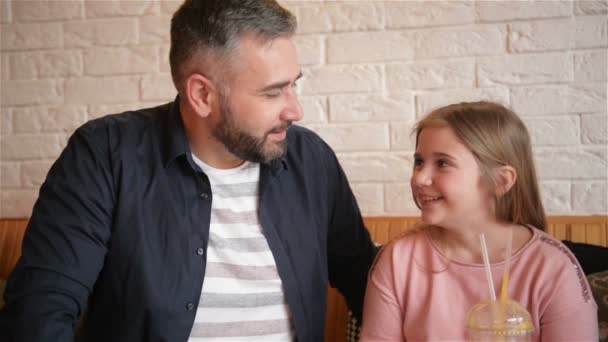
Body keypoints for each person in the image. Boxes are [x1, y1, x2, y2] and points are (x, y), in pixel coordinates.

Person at [0, 1, 378, 341]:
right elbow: (41, 306)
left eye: (294, 85)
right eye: (272, 92)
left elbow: (368, 281)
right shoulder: (104, 154)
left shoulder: (311, 160)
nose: (295, 110)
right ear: (202, 95)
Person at [360, 101, 598, 341]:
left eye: (443, 163)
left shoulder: (552, 267)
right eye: (419, 162)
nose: (420, 178)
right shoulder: (398, 260)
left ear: (501, 181)